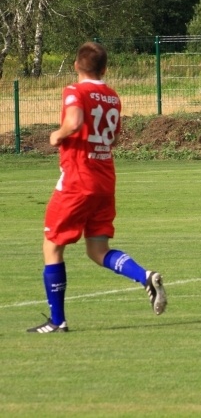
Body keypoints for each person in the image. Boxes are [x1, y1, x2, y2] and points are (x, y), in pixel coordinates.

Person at [28, 42, 167, 334]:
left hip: (78, 180)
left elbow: (75, 122)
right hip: (105, 180)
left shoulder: (74, 91)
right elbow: (113, 138)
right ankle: (145, 276)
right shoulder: (112, 96)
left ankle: (58, 320)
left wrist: (58, 135)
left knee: (52, 246)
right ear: (105, 68)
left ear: (77, 65)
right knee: (97, 249)